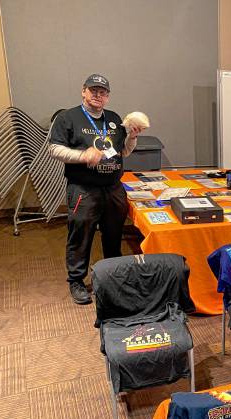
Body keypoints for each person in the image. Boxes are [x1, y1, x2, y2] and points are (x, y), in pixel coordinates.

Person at [49, 74, 142, 304]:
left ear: (107, 97)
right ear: (83, 91)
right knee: (81, 235)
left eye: (102, 92)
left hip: (113, 188)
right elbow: (54, 149)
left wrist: (132, 137)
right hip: (84, 189)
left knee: (113, 235)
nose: (97, 95)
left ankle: (112, 275)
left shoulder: (113, 119)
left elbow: (124, 152)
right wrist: (83, 155)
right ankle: (77, 281)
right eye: (93, 90)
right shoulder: (67, 117)